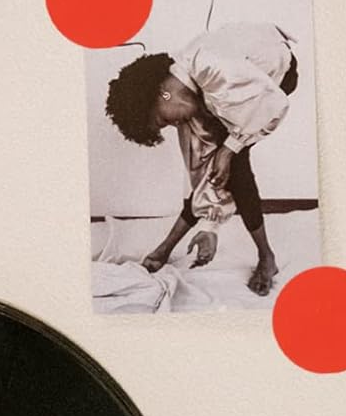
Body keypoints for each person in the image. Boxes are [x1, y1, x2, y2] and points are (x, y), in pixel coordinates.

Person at [104, 21, 299, 297]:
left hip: (274, 80)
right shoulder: (183, 92)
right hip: (230, 86)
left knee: (236, 165)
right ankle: (164, 249)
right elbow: (200, 171)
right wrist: (210, 226)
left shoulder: (212, 68)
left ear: (162, 93)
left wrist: (230, 148)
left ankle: (267, 258)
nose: (173, 125)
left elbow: (274, 105)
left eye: (162, 120)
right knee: (207, 156)